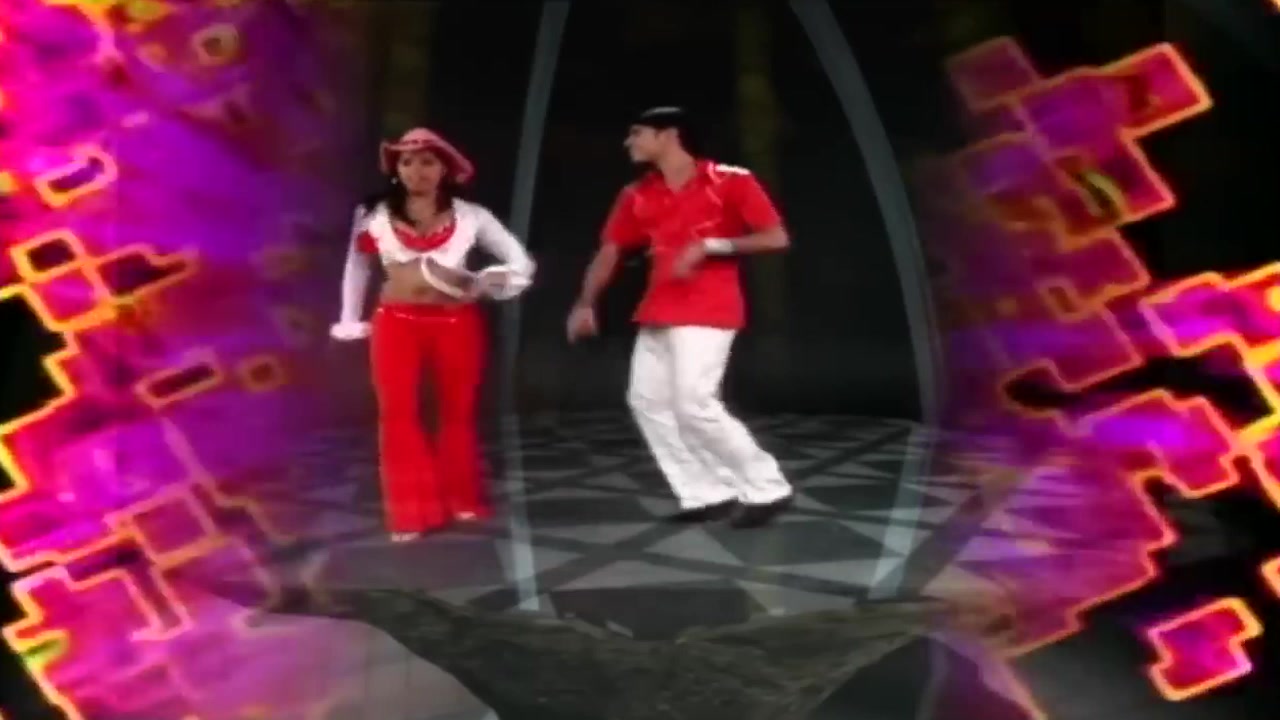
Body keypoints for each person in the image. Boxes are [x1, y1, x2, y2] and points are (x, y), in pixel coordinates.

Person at [566, 106, 793, 529]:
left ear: (668, 135)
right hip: (658, 309)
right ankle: (706, 491)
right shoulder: (637, 193)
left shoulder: (731, 180)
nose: (629, 142)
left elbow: (775, 237)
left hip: (708, 308)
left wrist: (712, 245)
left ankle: (767, 487)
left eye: (637, 133)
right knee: (647, 402)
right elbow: (610, 250)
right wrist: (585, 302)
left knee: (693, 403)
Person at [330, 127, 535, 542]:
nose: (416, 171)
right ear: (396, 168)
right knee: (397, 414)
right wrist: (350, 317)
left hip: (456, 323)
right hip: (396, 322)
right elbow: (357, 267)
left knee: (457, 412)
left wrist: (484, 281)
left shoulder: (472, 216)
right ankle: (410, 513)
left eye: (427, 162)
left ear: (445, 169)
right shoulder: (374, 214)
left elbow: (520, 262)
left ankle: (460, 497)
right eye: (406, 162)